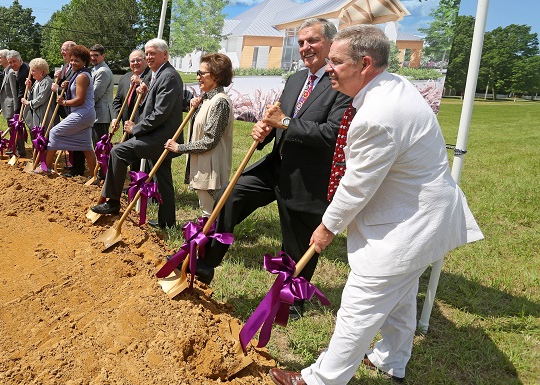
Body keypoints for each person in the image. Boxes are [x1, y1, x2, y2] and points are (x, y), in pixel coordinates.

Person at [267, 24, 483, 385]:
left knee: (359, 305)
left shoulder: (377, 116)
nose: (328, 67)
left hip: (410, 224)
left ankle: (321, 379)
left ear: (365, 63)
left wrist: (327, 227)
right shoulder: (391, 86)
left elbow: (357, 184)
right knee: (399, 298)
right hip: (421, 217)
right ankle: (391, 360)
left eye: (336, 61)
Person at [195, 19, 352, 303]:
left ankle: (290, 301)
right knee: (229, 197)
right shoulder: (295, 80)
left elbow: (333, 134)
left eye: (312, 41)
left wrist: (285, 122)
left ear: (331, 42)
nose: (305, 47)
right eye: (301, 42)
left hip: (307, 178)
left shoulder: (340, 83)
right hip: (275, 166)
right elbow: (278, 119)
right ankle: (206, 264)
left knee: (296, 243)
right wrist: (264, 130)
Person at [90, 38, 183, 229]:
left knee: (118, 152)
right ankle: (167, 222)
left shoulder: (169, 76)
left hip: (160, 138)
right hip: (158, 136)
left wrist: (136, 128)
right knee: (163, 178)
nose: (148, 57)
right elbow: (151, 107)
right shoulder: (158, 75)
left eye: (152, 53)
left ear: (165, 54)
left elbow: (160, 113)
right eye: (147, 53)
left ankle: (113, 203)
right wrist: (145, 92)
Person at [164, 53, 234, 218]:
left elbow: (209, 141)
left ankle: (209, 243)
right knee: (207, 212)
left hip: (211, 168)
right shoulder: (208, 99)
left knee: (210, 215)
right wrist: (195, 105)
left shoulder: (220, 102)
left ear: (216, 76)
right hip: (203, 165)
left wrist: (179, 147)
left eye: (202, 73)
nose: (198, 76)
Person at [39, 45, 96, 177]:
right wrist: (67, 84)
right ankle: (94, 176)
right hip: (86, 114)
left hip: (82, 113)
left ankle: (45, 168)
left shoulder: (82, 76)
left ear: (84, 62)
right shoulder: (80, 74)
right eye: (71, 60)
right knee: (86, 146)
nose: (73, 63)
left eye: (76, 60)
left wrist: (63, 102)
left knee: (54, 132)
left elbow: (80, 99)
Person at [89, 44, 115, 179]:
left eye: (96, 55)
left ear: (103, 56)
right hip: (97, 115)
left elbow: (95, 94)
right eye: (91, 55)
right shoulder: (95, 69)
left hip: (101, 115)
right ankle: (101, 173)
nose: (93, 58)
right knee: (96, 145)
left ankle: (103, 174)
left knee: (101, 146)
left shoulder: (103, 71)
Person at [111, 49, 151, 129]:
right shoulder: (124, 78)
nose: (135, 63)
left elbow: (153, 95)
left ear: (146, 61)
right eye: (132, 61)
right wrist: (115, 118)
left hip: (143, 127)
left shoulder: (152, 76)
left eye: (138, 60)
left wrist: (140, 82)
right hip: (126, 126)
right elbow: (117, 101)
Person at [21, 58, 54, 128]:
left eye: (33, 71)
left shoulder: (47, 81)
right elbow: (33, 96)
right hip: (37, 113)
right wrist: (29, 88)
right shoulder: (37, 81)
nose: (31, 73)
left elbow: (41, 98)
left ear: (41, 72)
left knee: (45, 133)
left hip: (45, 114)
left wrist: (28, 103)